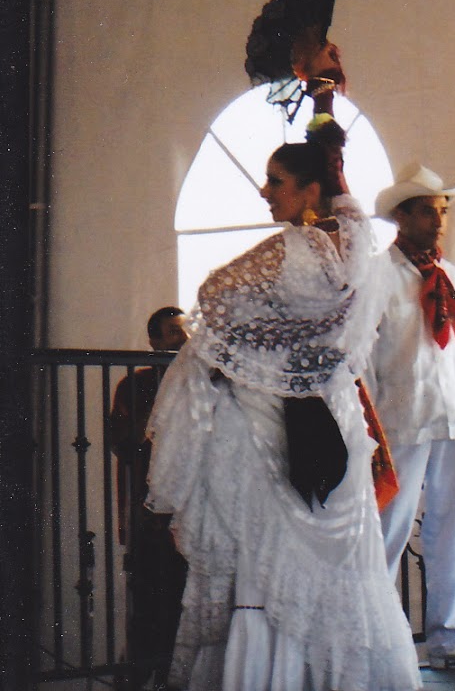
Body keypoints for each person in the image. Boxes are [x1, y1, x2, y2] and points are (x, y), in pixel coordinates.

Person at [145, 85, 420, 690]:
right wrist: (324, 110)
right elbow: (348, 211)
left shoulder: (291, 252)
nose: (265, 191)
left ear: (308, 192)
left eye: (276, 182)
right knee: (345, 567)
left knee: (264, 570)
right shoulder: (356, 244)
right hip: (336, 420)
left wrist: (246, 357)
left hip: (270, 428)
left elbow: (214, 301)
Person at [368, 162, 455, 671]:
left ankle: (451, 639)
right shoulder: (378, 276)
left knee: (453, 530)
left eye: (443, 209)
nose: (439, 218)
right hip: (399, 423)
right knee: (386, 531)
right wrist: (367, 425)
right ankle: (377, 644)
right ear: (402, 217)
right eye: (428, 209)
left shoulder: (452, 278)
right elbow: (364, 354)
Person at [108, 308, 191, 690]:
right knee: (147, 599)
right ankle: (142, 676)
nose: (183, 339)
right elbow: (125, 442)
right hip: (148, 511)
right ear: (154, 342)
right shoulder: (135, 384)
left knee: (185, 596)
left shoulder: (197, 379)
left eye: (187, 331)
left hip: (190, 509)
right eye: (173, 333)